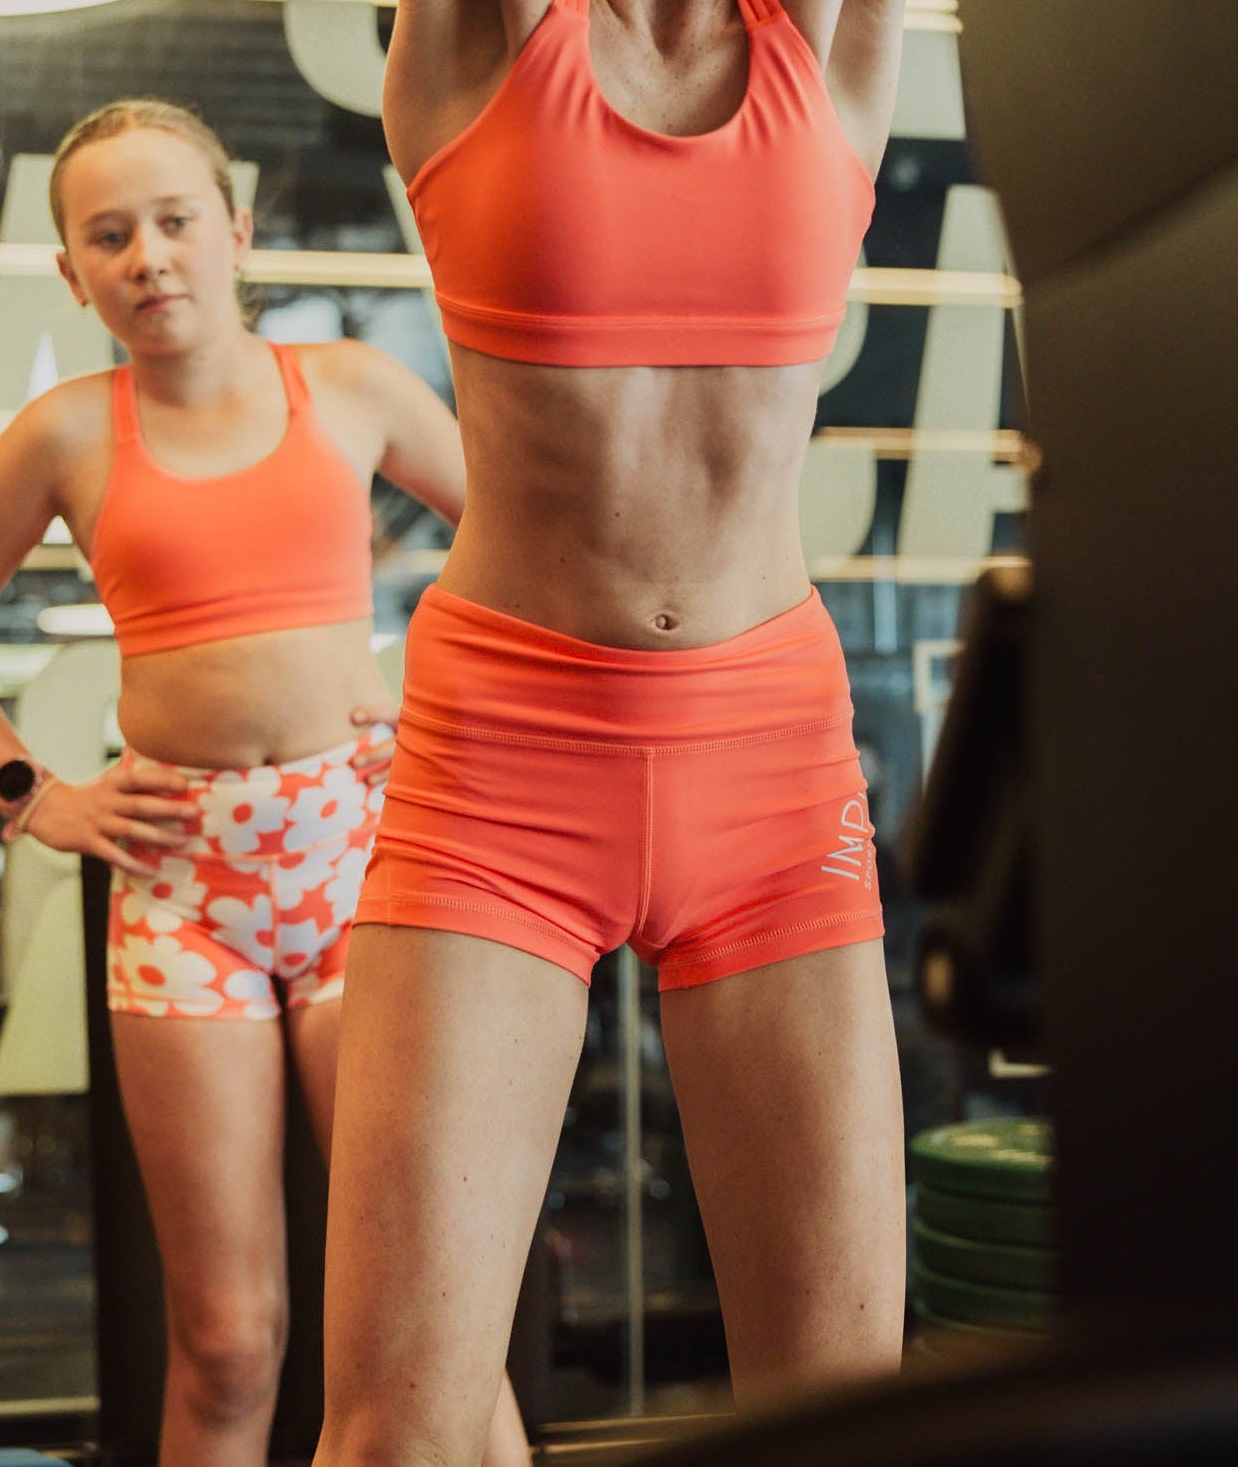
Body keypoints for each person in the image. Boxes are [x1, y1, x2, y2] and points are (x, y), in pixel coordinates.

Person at [0, 99, 530, 1467]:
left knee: (435, 1313)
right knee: (232, 1337)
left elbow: (530, 547)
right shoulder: (66, 432)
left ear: (237, 231)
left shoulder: (347, 389)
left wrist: (438, 700)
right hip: (181, 888)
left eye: (175, 221)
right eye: (109, 236)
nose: (148, 256)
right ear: (71, 273)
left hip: (358, 858)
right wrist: (29, 790)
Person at [314, 1, 909, 1462]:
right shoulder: (485, 37)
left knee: (845, 1424)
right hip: (505, 762)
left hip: (774, 771)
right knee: (398, 1433)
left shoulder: (828, 39)